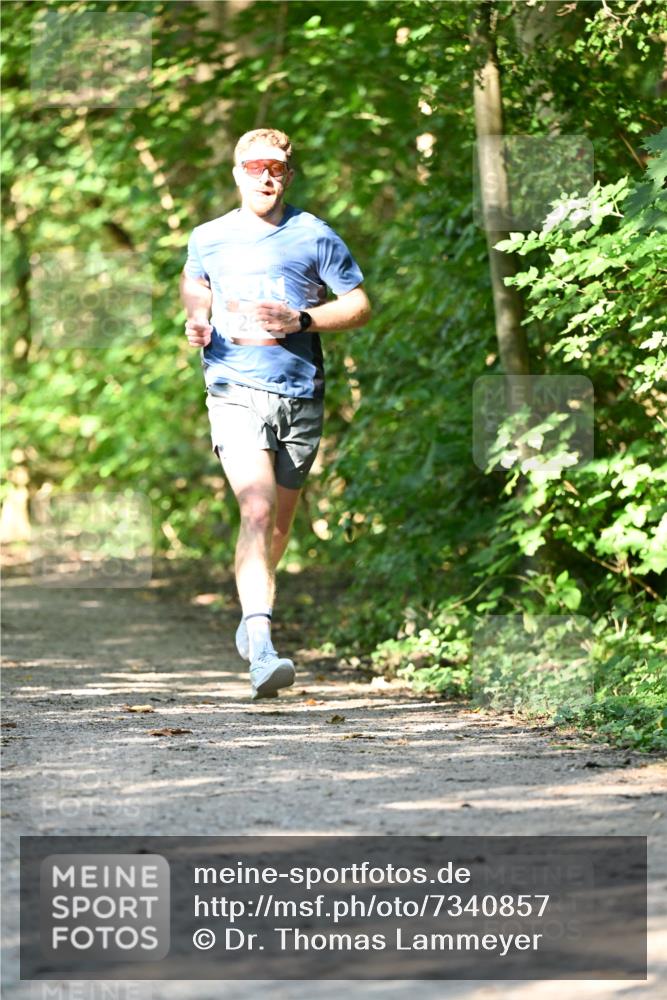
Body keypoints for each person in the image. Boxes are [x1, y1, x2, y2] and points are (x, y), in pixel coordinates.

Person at [180, 127, 371, 701]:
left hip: (300, 394)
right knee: (257, 511)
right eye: (257, 165)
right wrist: (196, 321)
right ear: (237, 172)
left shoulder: (314, 236)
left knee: (279, 526)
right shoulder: (209, 237)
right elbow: (196, 282)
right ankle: (262, 650)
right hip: (233, 389)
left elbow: (360, 306)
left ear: (288, 175)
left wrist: (305, 321)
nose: (268, 175)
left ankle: (251, 613)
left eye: (279, 167)